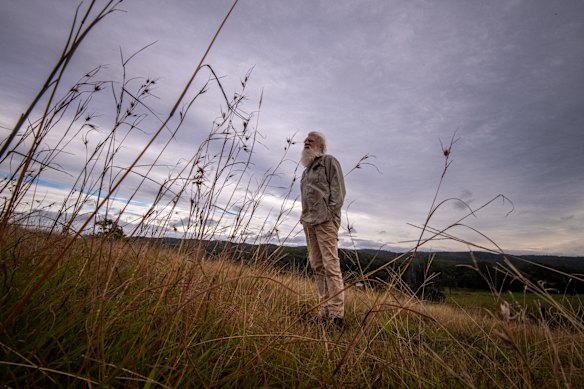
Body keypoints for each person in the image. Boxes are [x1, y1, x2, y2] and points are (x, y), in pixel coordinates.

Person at [300, 131, 346, 329]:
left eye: (310, 140)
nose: (306, 142)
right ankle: (324, 312)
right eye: (305, 141)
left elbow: (339, 192)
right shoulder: (306, 171)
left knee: (330, 265)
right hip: (309, 222)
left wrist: (329, 214)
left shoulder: (329, 162)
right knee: (317, 265)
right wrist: (305, 218)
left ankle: (336, 316)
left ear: (320, 144)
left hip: (325, 221)